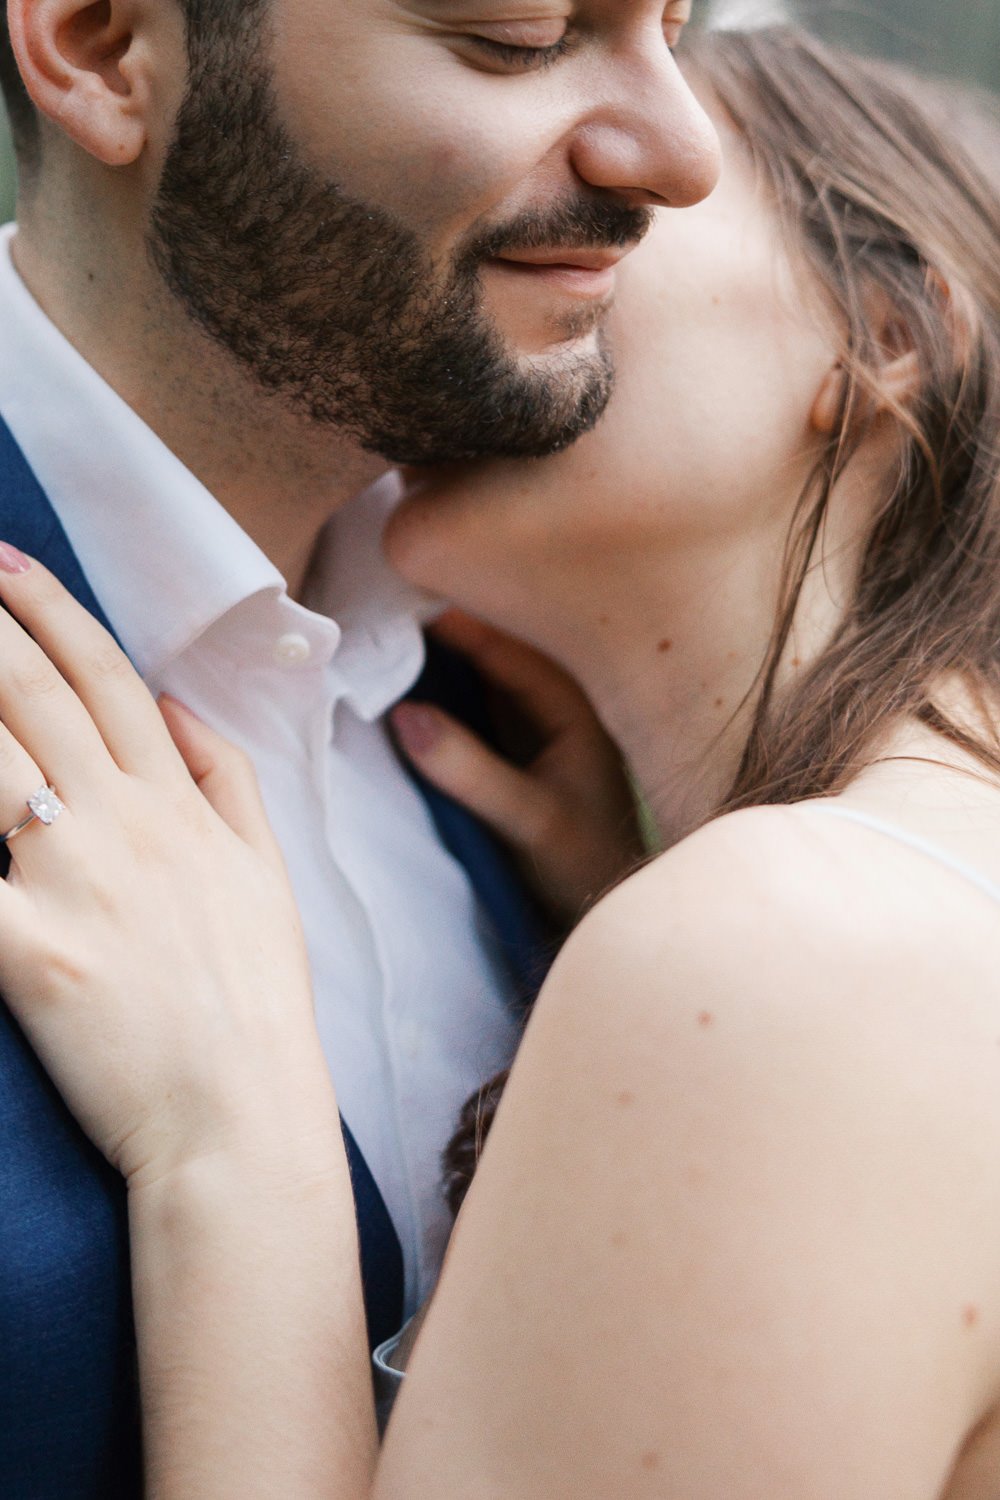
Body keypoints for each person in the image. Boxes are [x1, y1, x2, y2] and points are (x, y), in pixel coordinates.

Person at [1, 17, 999, 1499]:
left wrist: (240, 1164)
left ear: (891, 342)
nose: (669, 154)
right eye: (514, 36)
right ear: (96, 43)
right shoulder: (606, 827)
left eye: (674, 33)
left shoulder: (759, 943)